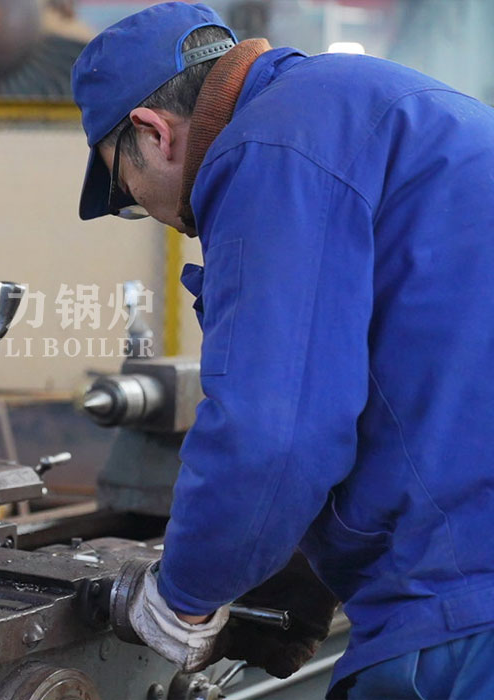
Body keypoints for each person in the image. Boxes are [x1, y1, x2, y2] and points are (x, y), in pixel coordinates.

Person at [71, 3, 494, 698]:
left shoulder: (268, 147)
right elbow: (425, 363)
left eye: (126, 192)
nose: (158, 216)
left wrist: (182, 598)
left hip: (463, 610)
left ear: (152, 132)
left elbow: (273, 435)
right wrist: (305, 557)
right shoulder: (367, 106)